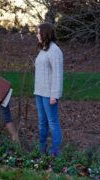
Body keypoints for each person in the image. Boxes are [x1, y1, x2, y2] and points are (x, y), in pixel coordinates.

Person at [34, 22, 63, 157]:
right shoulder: (43, 49)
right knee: (42, 122)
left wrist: (54, 95)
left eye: (39, 33)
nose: (37, 35)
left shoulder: (55, 51)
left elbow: (58, 74)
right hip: (39, 93)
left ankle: (55, 152)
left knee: (53, 122)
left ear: (45, 33)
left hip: (49, 95)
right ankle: (42, 150)